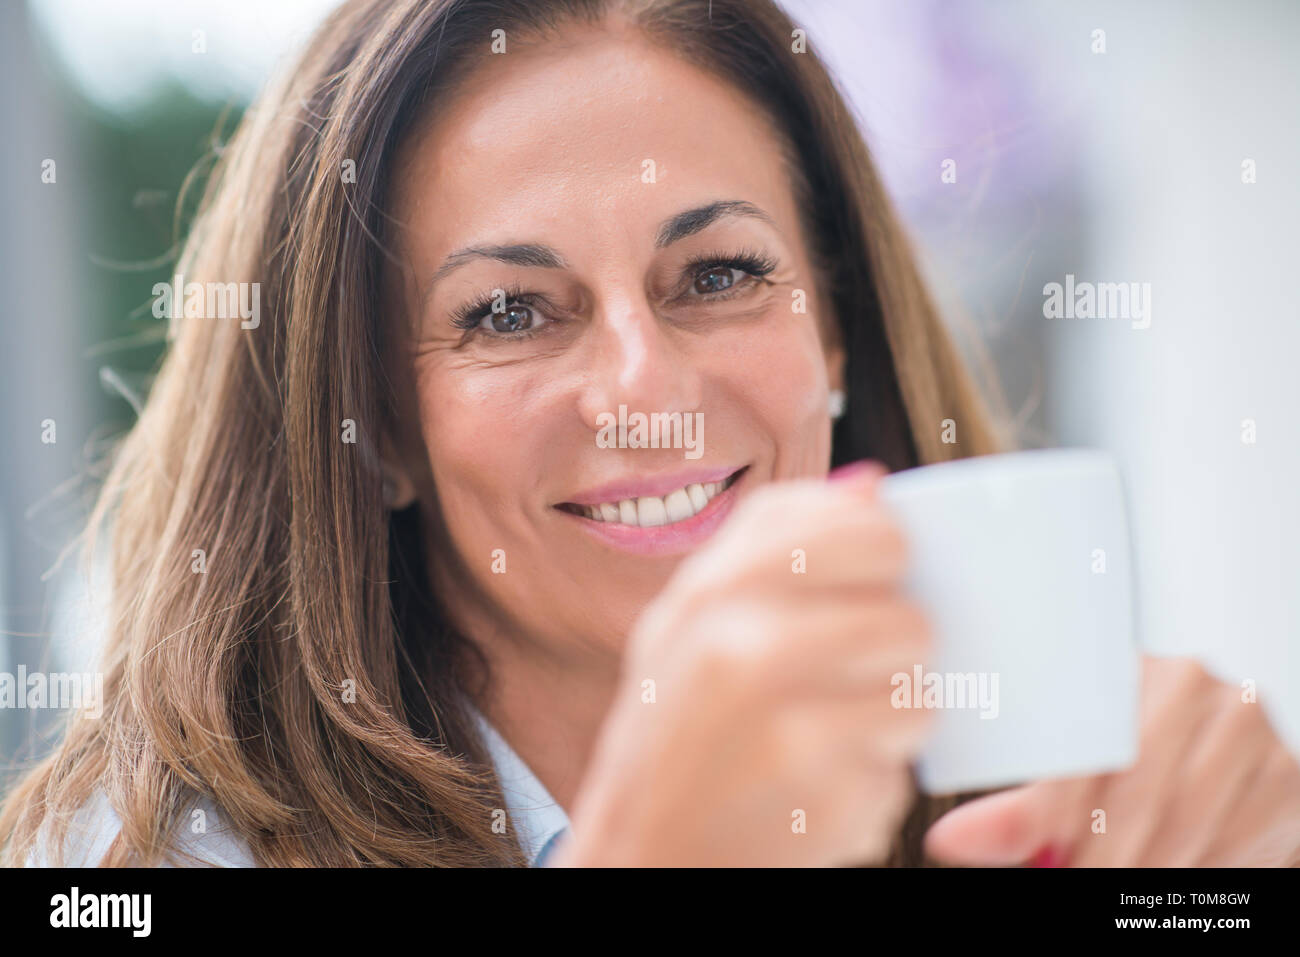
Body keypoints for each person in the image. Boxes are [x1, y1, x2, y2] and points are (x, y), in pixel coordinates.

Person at [4, 0, 1296, 868]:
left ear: (836, 332)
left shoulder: (1011, 781)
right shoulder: (141, 858)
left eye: (721, 274)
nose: (647, 387)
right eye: (510, 310)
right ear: (374, 431)